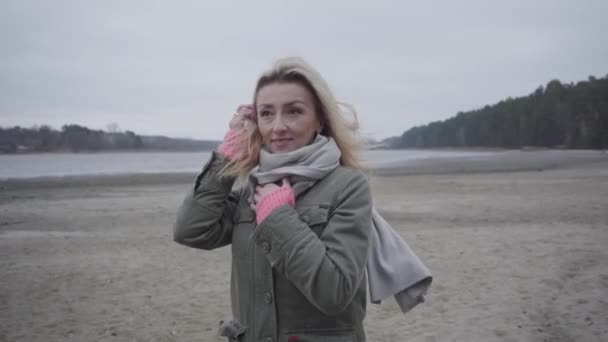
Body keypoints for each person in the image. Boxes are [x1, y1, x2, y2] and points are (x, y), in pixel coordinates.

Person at [174, 57, 373, 342]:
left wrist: (277, 218)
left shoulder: (348, 187)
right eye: (266, 114)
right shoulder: (251, 190)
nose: (278, 126)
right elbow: (191, 230)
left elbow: (336, 292)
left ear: (320, 119)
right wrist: (229, 157)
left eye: (293, 112)